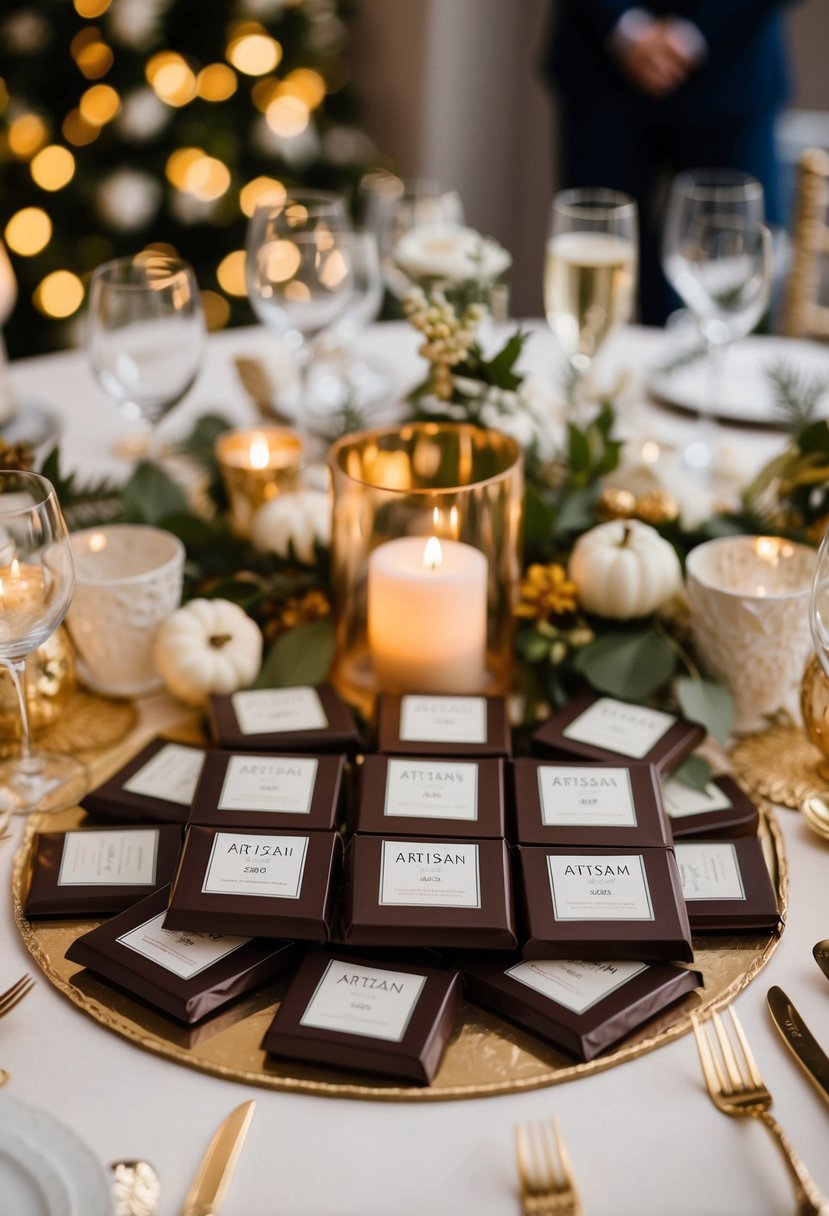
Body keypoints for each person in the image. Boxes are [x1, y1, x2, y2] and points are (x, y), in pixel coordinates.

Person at [542, 1, 800, 323]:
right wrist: (626, 28)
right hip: (600, 71)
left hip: (735, 75)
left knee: (736, 282)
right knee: (593, 277)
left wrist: (698, 33)